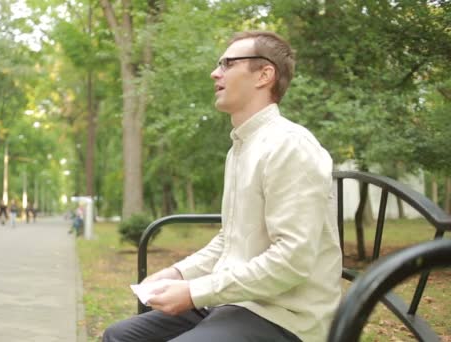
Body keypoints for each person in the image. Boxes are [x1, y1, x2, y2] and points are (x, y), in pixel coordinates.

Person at [103, 31, 342, 342]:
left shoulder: (290, 146)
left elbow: (292, 260)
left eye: (228, 63)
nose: (215, 72)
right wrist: (179, 274)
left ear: (264, 75)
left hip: (284, 316)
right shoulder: (241, 147)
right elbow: (229, 240)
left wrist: (195, 292)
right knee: (119, 336)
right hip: (234, 301)